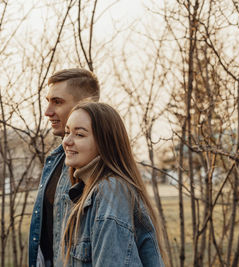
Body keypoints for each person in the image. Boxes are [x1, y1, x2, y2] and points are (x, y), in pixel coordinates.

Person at [60, 102, 166, 266]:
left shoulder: (110, 191)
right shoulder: (90, 191)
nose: (67, 141)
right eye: (67, 132)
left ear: (105, 142)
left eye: (79, 134)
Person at [28, 68, 100, 267]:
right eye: (48, 101)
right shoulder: (57, 159)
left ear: (85, 105)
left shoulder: (102, 173)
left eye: (57, 102)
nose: (48, 112)